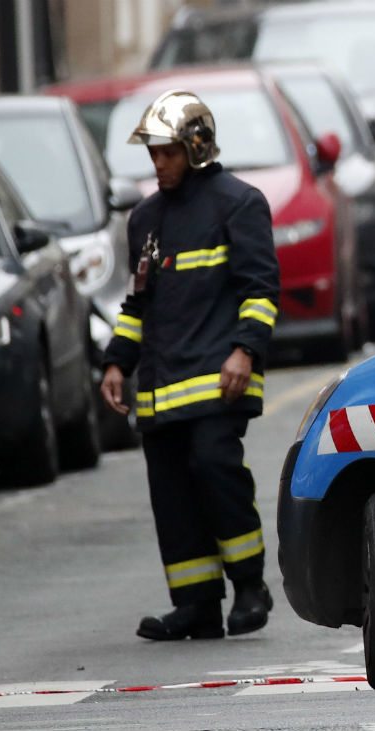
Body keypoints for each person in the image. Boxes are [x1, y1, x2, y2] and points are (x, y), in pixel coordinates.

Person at [100, 89, 280, 641]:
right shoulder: (145, 220)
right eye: (153, 154)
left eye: (169, 153)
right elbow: (139, 303)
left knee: (214, 467)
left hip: (219, 379)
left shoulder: (239, 203)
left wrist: (245, 351)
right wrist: (116, 362)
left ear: (197, 148)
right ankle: (197, 605)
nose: (159, 164)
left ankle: (250, 586)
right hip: (160, 386)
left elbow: (261, 290)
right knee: (172, 494)